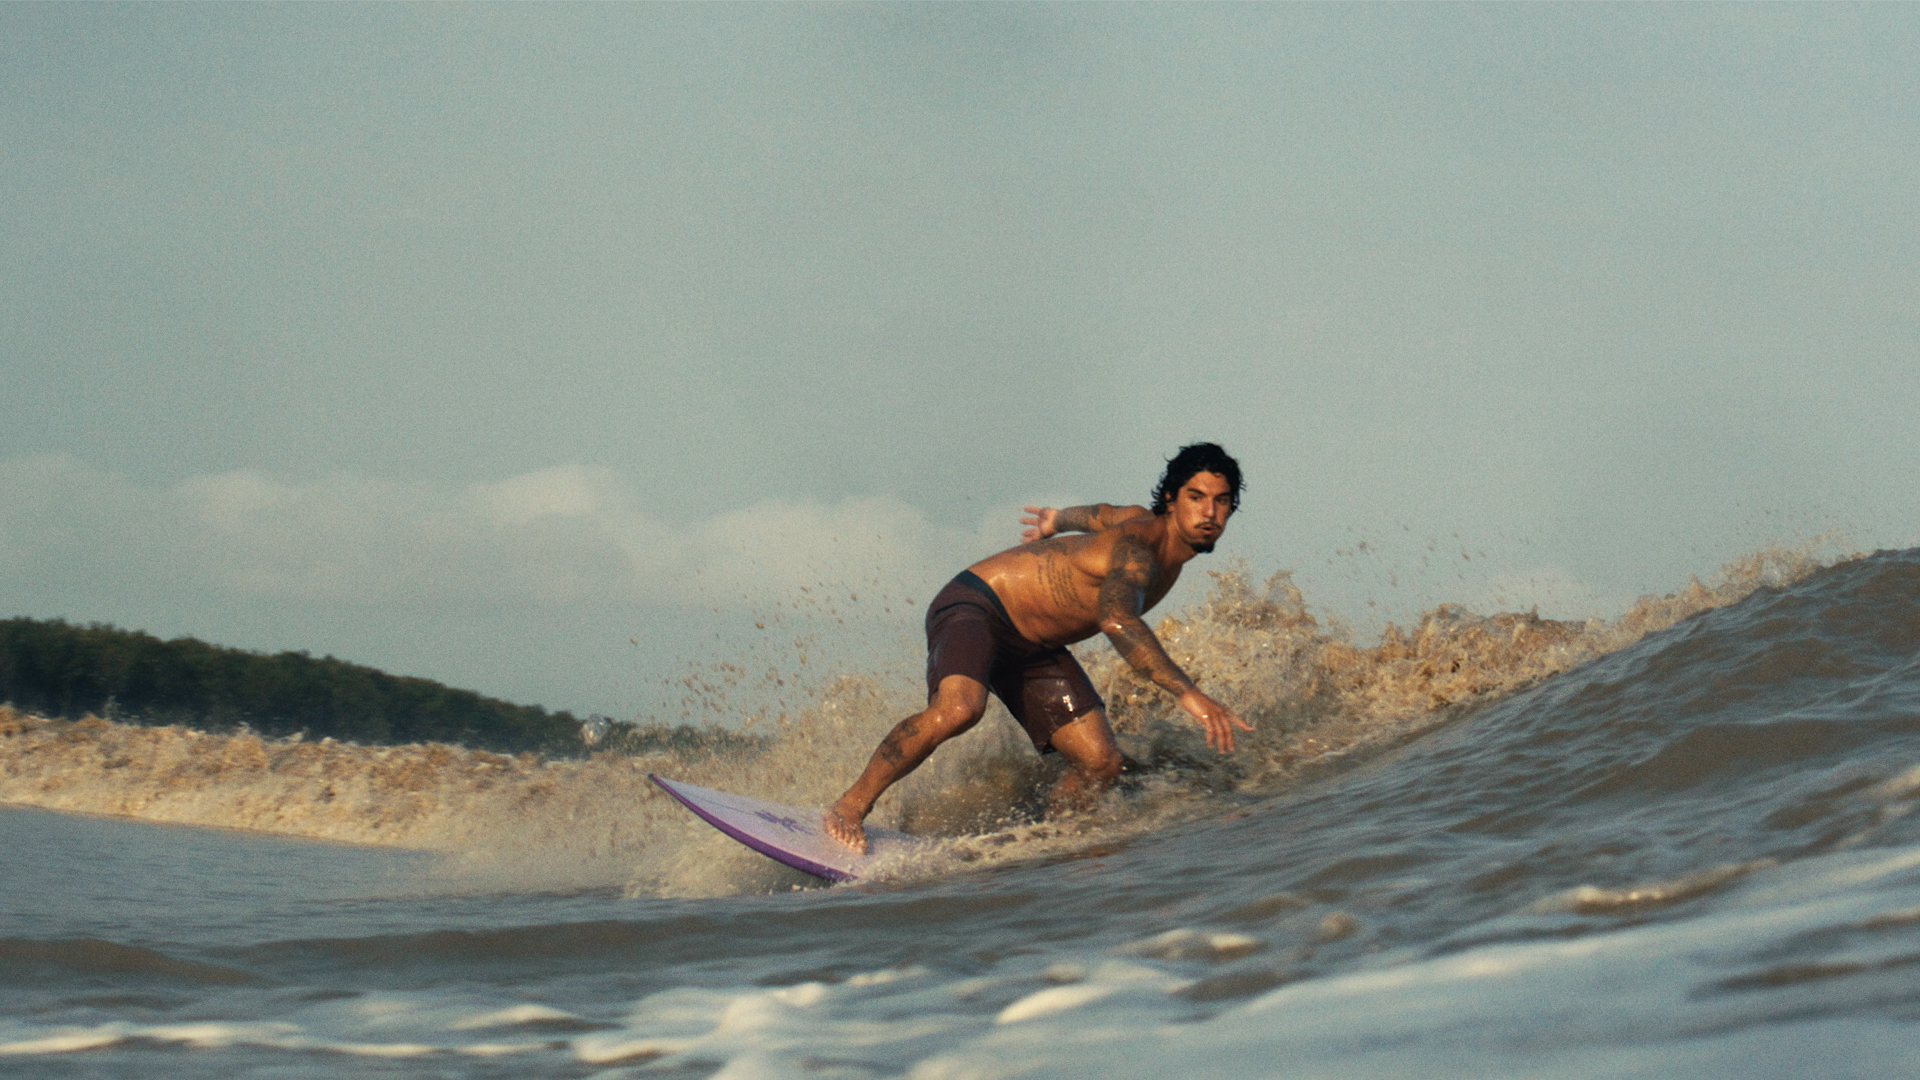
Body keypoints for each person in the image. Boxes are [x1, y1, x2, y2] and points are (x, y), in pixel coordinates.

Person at [824, 443, 1253, 852]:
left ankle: (1054, 845)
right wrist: (1189, 693)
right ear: (1171, 499)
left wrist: (1056, 520)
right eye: (1196, 497)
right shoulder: (1139, 551)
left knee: (1101, 761)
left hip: (1031, 645)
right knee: (960, 709)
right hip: (977, 605)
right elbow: (1117, 619)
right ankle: (850, 806)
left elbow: (1101, 514)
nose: (1209, 512)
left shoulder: (1141, 524)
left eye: (1221, 501)